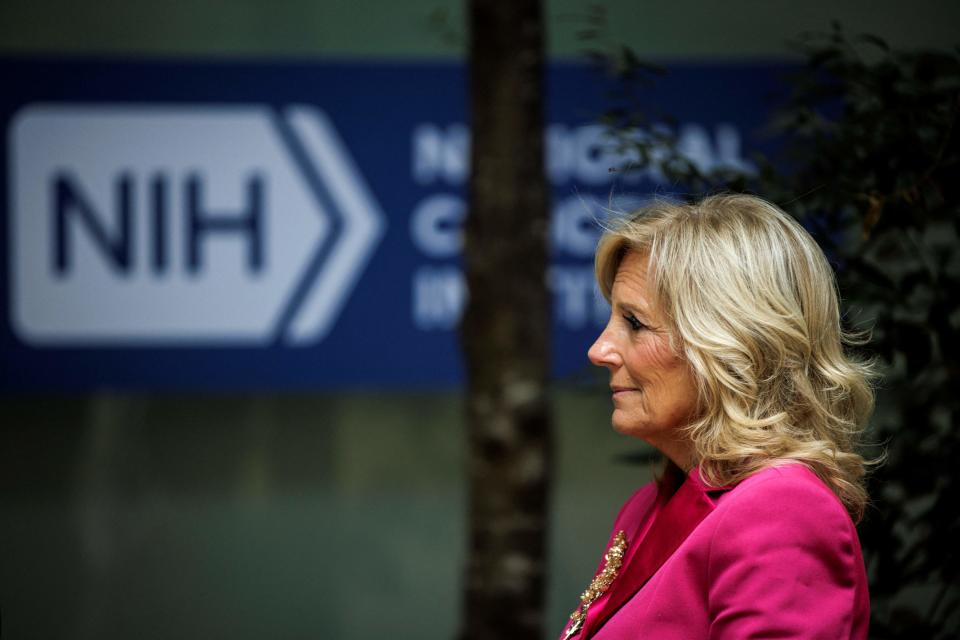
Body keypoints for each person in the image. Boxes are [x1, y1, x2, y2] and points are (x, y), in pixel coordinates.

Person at [560, 194, 876, 640]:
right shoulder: (648, 507)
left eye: (634, 322)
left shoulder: (783, 511)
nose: (599, 350)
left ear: (730, 344)